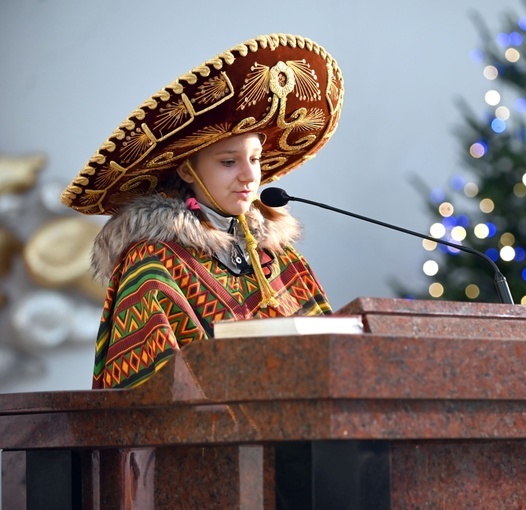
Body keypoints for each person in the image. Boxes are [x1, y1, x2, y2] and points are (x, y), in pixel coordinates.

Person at [60, 33, 344, 389]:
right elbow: (151, 397)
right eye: (229, 161)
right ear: (185, 170)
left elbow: (339, 365)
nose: (250, 175)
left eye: (255, 159)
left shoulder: (287, 263)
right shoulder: (153, 263)